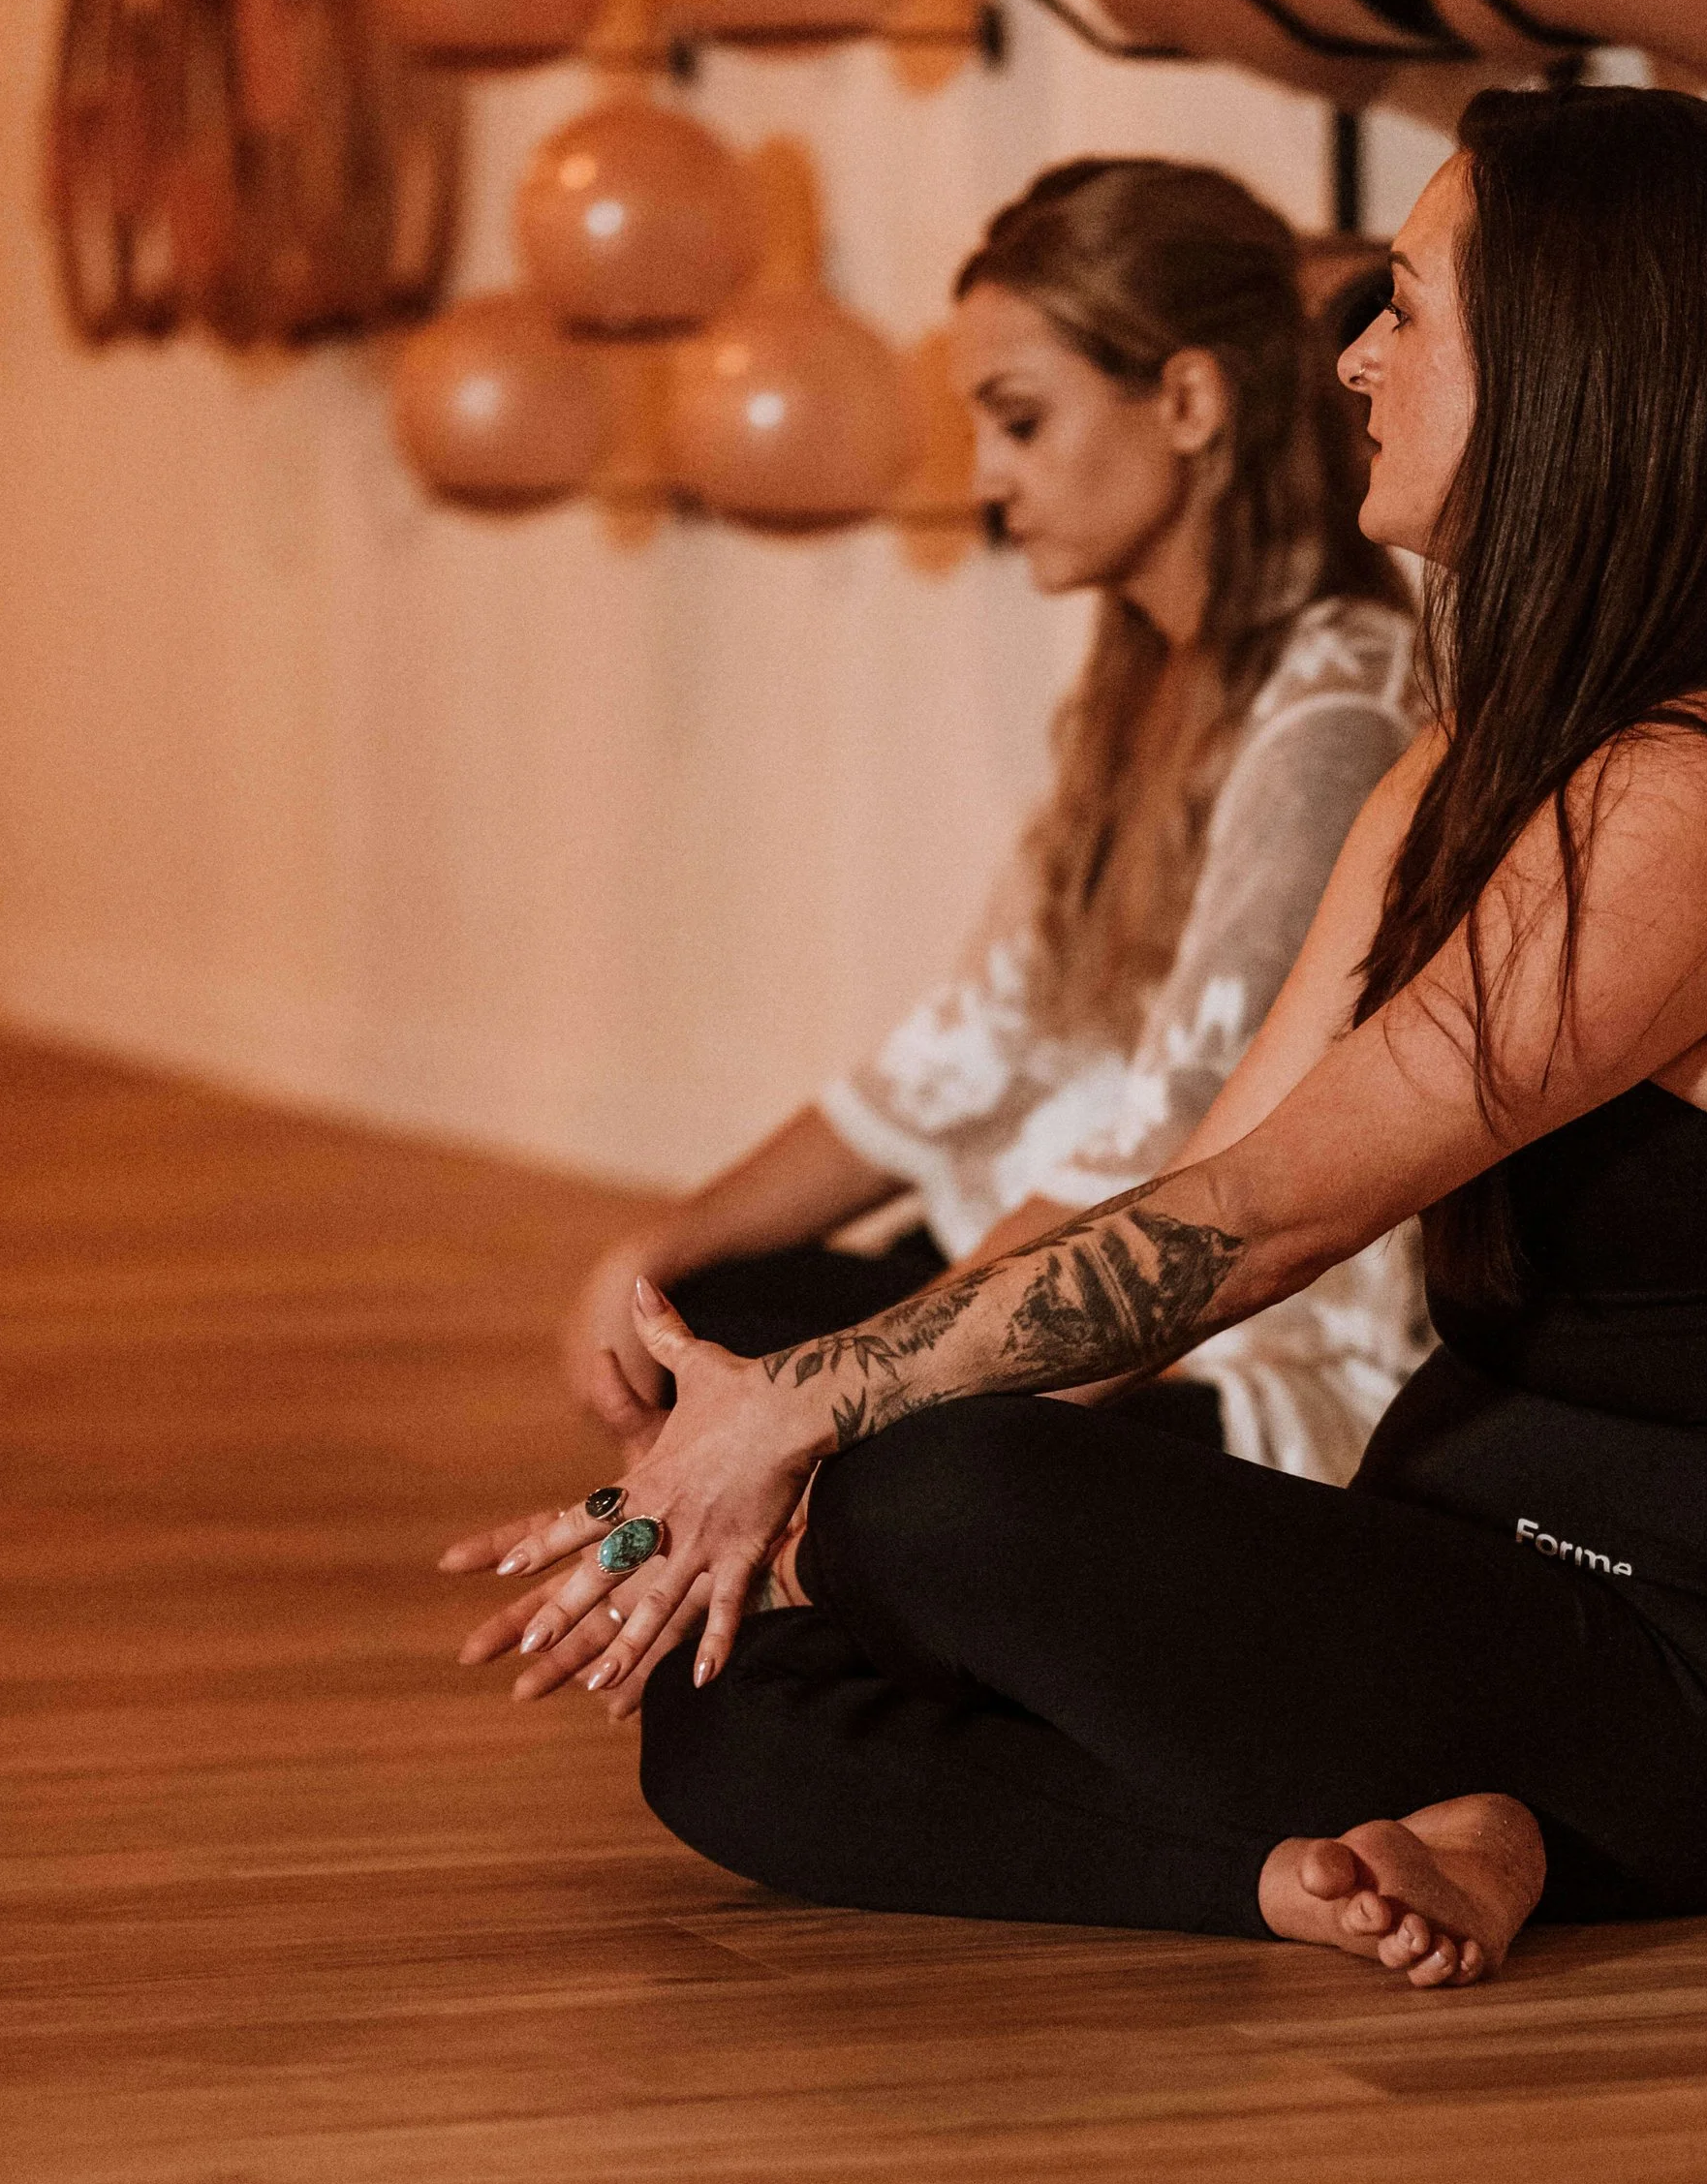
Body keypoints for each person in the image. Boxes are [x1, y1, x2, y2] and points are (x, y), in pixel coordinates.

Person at [449, 86, 1707, 1995]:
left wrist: (821, 1420)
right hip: (1452, 1558)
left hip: (1704, 1673)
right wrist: (741, 1460)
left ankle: (1501, 1815)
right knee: (725, 1712)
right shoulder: (1469, 765)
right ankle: (1310, 1874)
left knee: (919, 1487)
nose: (1352, 356)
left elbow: (1266, 1227)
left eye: (1407, 307)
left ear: (1572, 357)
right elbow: (1170, 1190)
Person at [561, 155, 1425, 1483]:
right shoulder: (1145, 678)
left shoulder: (1334, 713)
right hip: (1062, 1271)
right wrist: (658, 1249)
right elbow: (953, 1058)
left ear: (1189, 400)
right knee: (705, 1323)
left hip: (1229, 1345)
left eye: (1020, 422)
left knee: (867, 1462)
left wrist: (840, 1398)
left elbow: (1172, 1159)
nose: (989, 478)